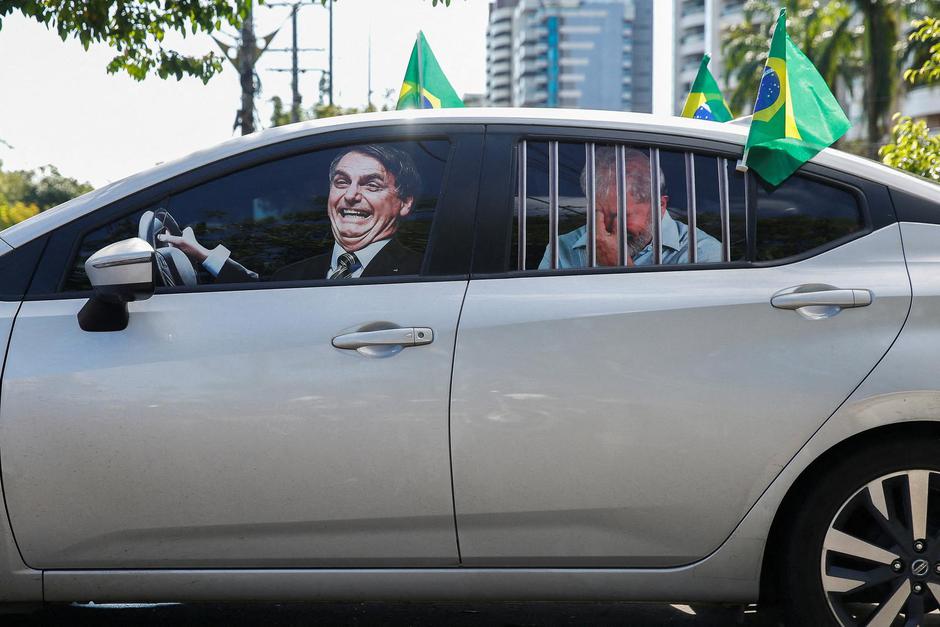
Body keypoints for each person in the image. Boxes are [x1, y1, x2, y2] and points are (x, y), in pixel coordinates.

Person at [160, 144, 423, 282]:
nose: (351, 195)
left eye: (371, 185)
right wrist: (203, 255)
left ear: (405, 202)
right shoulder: (294, 276)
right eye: (342, 182)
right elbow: (261, 296)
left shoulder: (421, 273)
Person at [539, 147, 721, 269]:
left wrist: (617, 268)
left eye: (622, 216)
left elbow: (682, 324)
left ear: (660, 206)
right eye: (599, 213)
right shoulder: (561, 250)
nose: (607, 228)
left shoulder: (702, 254)